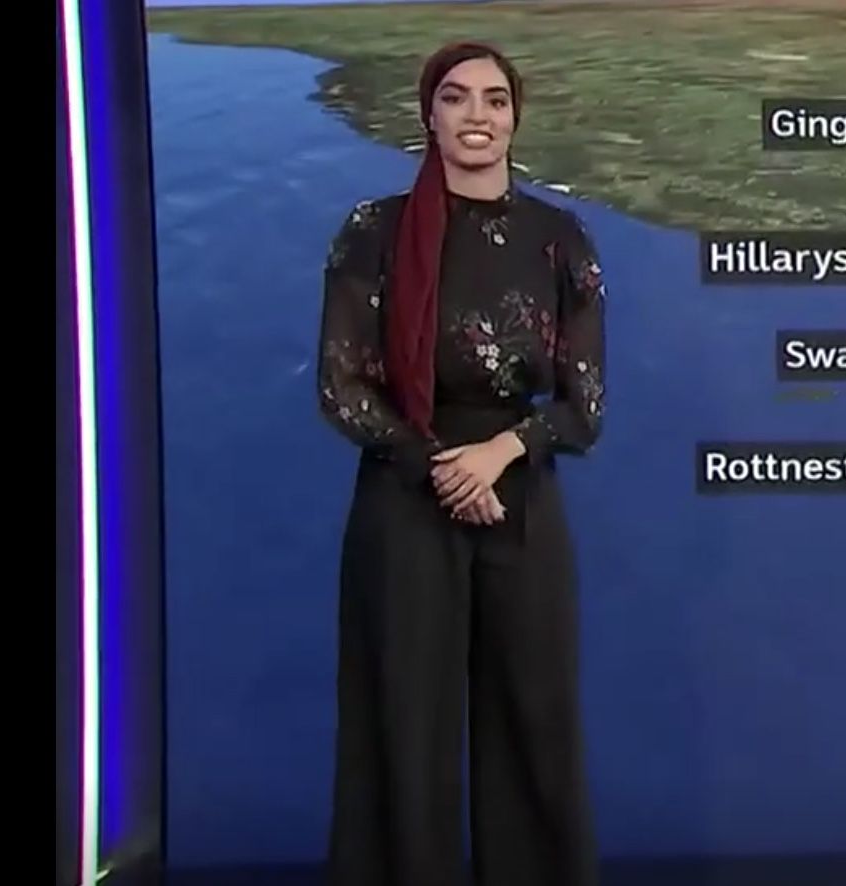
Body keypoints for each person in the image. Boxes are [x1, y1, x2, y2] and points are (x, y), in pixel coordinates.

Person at [317, 40, 607, 886]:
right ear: (429, 115)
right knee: (404, 721)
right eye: (455, 97)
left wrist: (500, 454)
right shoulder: (373, 232)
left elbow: (584, 406)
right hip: (404, 491)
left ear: (515, 117)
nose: (476, 115)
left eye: (493, 99)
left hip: (519, 492)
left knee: (532, 719)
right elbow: (341, 386)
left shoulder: (560, 240)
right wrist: (441, 467)